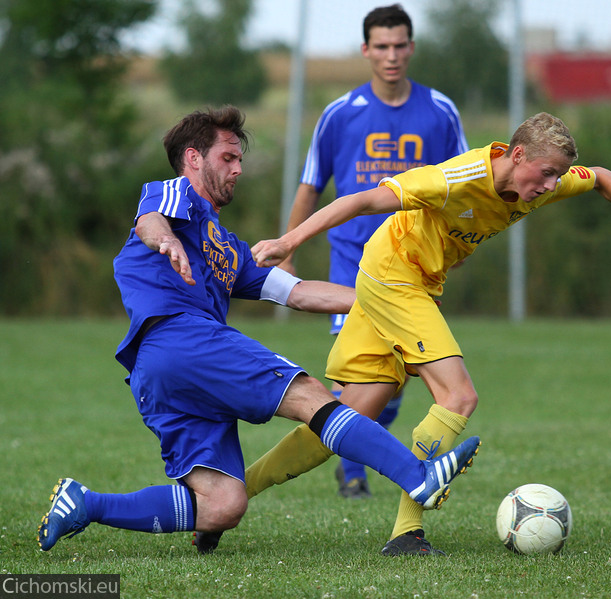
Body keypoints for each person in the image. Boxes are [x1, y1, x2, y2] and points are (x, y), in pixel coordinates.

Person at [250, 112, 611, 556]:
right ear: (517, 154)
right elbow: (362, 201)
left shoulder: (539, 181)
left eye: (557, 177)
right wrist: (289, 243)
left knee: (349, 416)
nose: (549, 186)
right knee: (458, 396)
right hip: (394, 277)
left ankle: (229, 496)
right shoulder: (455, 178)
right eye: (545, 174)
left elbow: (601, 177)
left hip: (404, 280)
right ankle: (407, 533)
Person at [36, 106, 480, 554]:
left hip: (162, 374)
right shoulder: (174, 196)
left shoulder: (228, 249)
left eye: (240, 160)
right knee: (312, 395)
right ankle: (416, 477)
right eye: (228, 157)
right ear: (193, 158)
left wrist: (394, 299)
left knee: (222, 505)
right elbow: (150, 220)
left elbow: (300, 292)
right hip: (182, 338)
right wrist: (164, 239)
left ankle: (85, 504)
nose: (239, 168)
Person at [254, 3, 468, 502]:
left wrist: (456, 247)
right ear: (366, 50)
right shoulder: (340, 114)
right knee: (370, 379)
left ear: (411, 48)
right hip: (353, 264)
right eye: (382, 46)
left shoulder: (440, 111)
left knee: (397, 380)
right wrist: (288, 250)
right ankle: (350, 465)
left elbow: (461, 186)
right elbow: (311, 187)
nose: (391, 56)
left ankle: (340, 444)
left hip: (415, 265)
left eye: (400, 46)